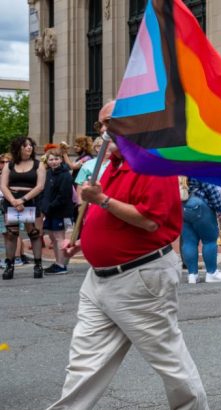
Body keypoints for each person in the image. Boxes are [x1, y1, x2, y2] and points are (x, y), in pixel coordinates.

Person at [50, 101, 207, 409]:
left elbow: (150, 220)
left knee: (171, 364)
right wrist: (85, 242)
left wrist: (103, 200)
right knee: (84, 365)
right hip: (100, 280)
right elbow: (109, 215)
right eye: (101, 125)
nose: (104, 131)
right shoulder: (113, 165)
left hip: (139, 279)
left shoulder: (152, 164)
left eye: (111, 122)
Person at [1, 136, 47, 279]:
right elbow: (3, 185)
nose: (29, 147)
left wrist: (23, 200)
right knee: (11, 234)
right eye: (25, 145)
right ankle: (9, 265)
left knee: (33, 233)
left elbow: (40, 186)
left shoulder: (38, 165)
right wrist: (14, 200)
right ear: (18, 148)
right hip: (12, 201)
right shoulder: (9, 165)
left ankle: (38, 265)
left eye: (30, 145)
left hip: (31, 200)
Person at [180, 177, 221, 284]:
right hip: (199, 204)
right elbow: (211, 189)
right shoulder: (198, 166)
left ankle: (192, 275)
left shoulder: (174, 166)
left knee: (188, 242)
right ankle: (211, 273)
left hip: (182, 206)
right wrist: (219, 209)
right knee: (209, 240)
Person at [40, 147, 75, 274]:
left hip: (60, 211)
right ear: (47, 161)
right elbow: (46, 192)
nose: (54, 162)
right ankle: (57, 262)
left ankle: (61, 265)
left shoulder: (65, 175)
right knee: (53, 237)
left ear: (61, 160)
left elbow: (63, 196)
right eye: (51, 159)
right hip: (50, 210)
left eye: (56, 159)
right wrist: (44, 207)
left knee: (59, 237)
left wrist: (49, 207)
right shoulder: (49, 173)